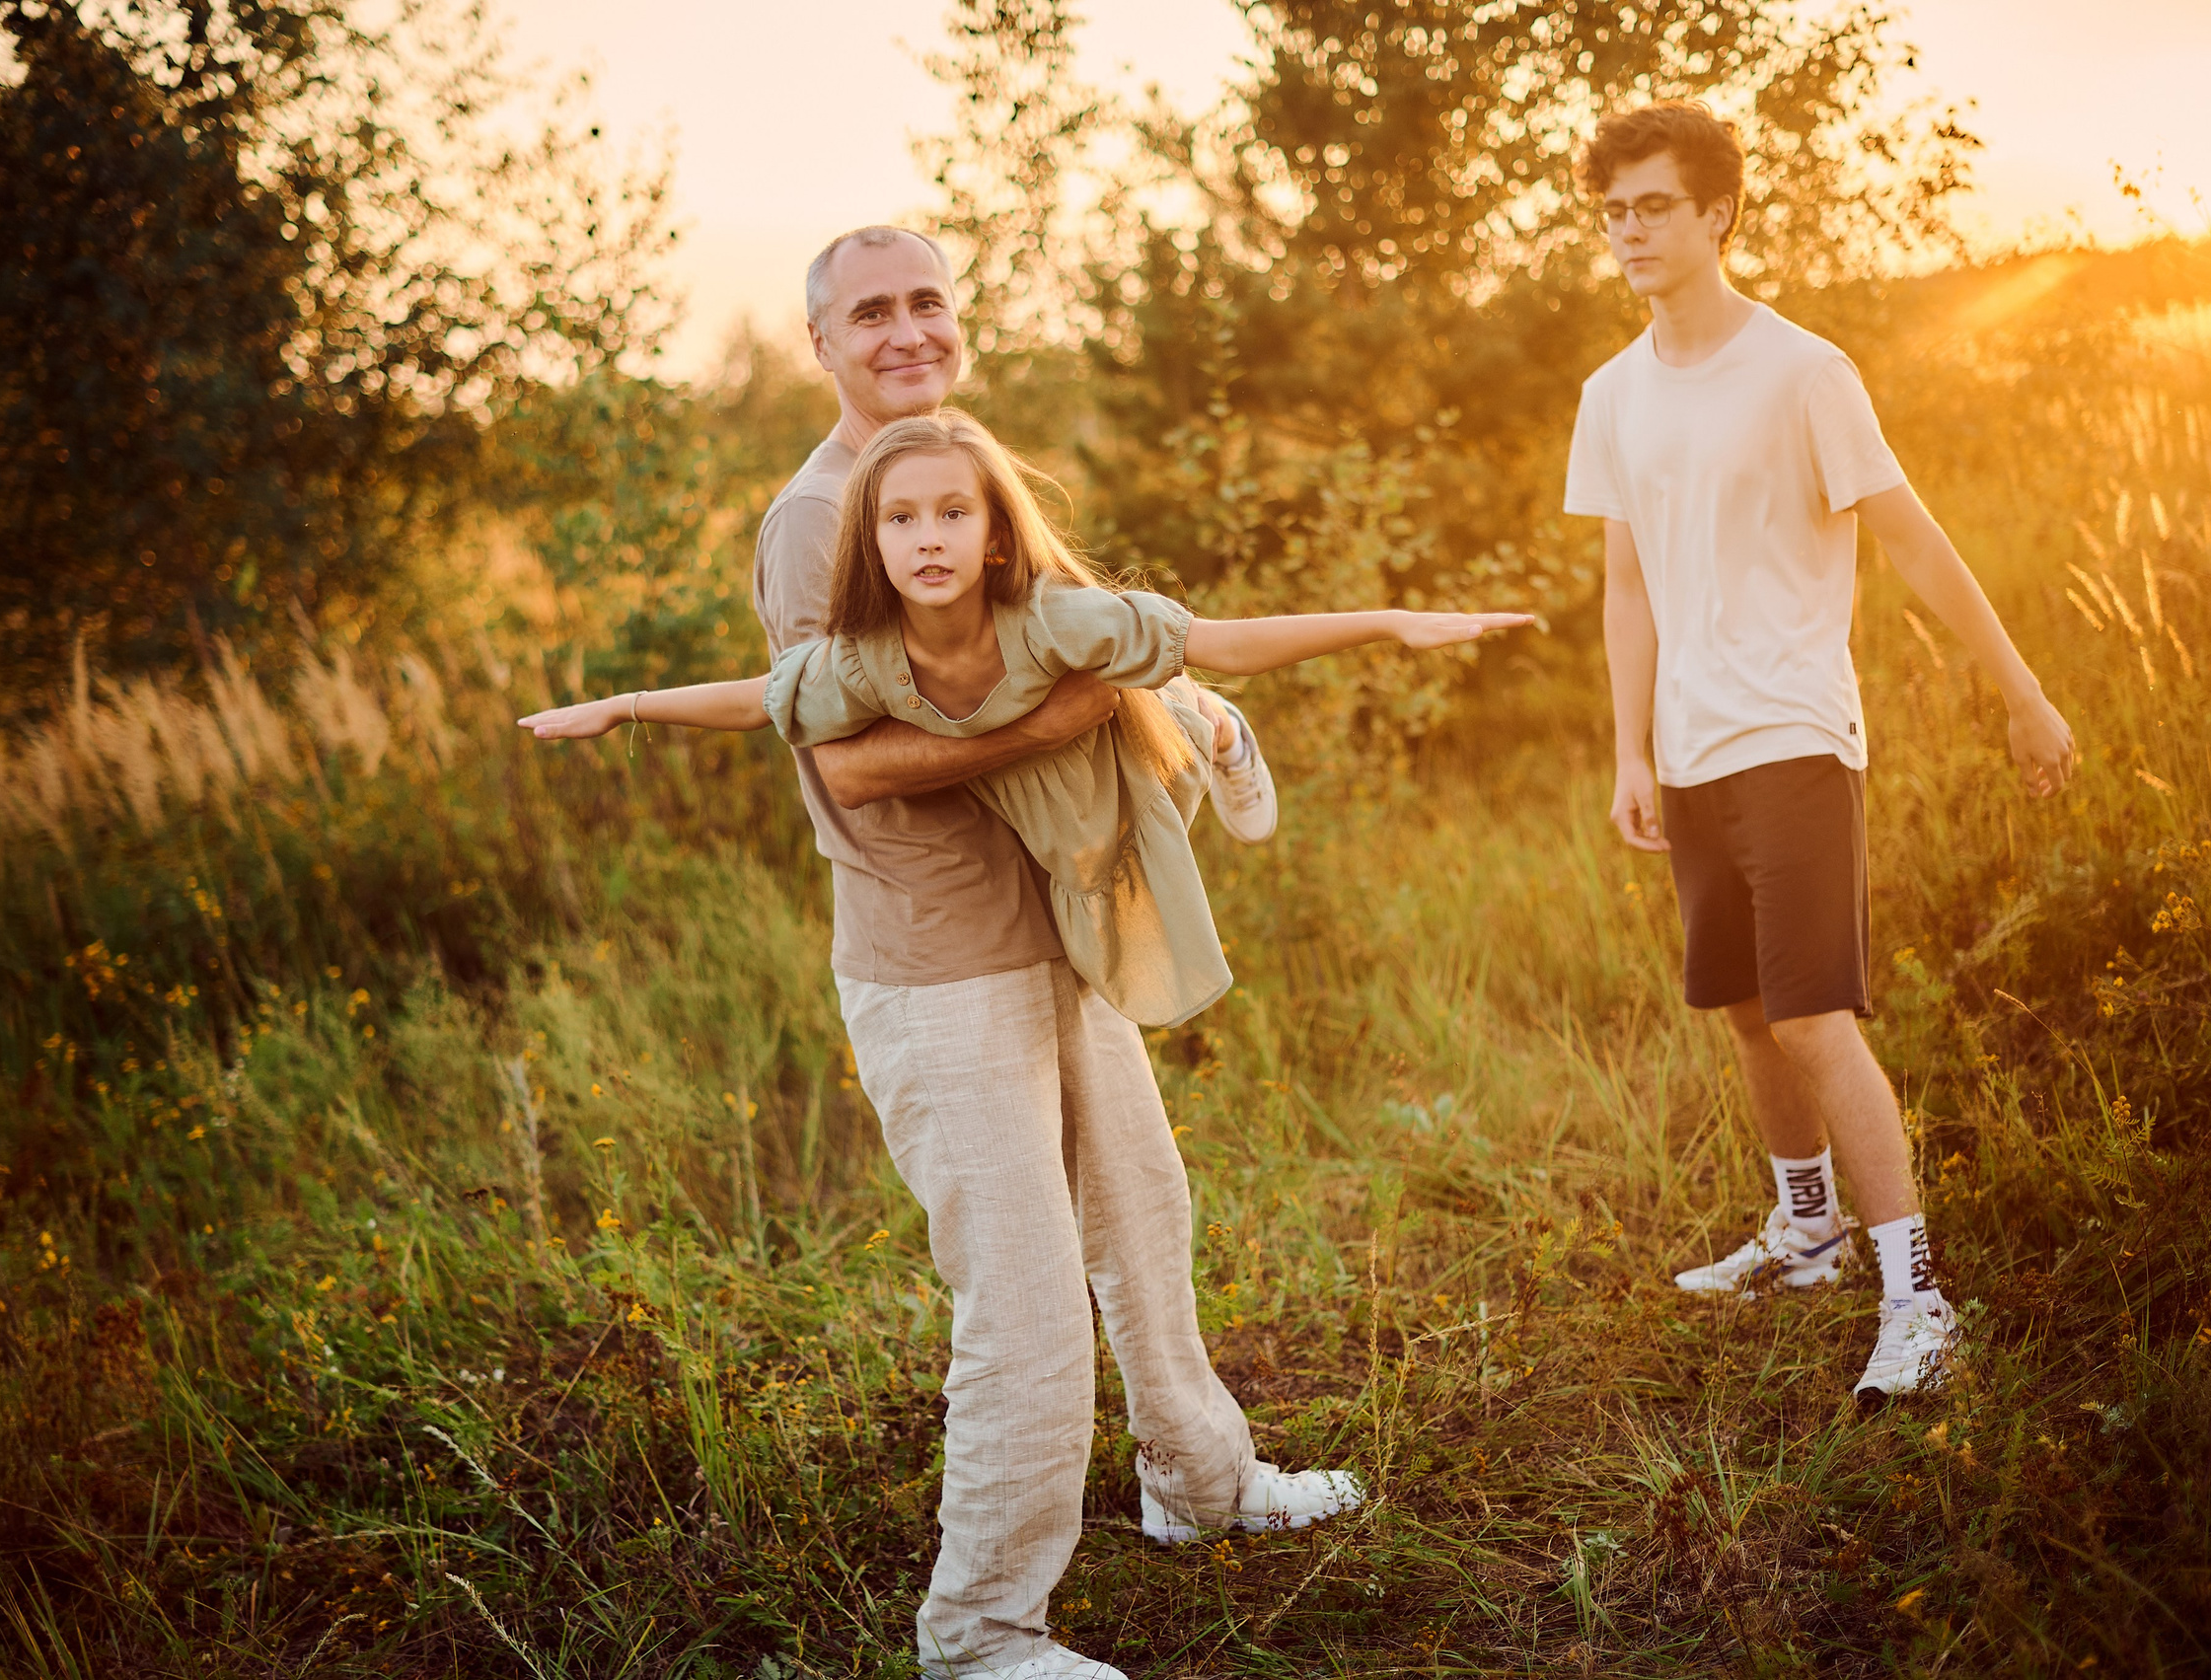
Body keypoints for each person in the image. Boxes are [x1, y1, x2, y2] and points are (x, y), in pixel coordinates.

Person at [544, 227, 1341, 1680]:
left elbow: (1058, 638)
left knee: (1141, 1211)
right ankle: (978, 1632)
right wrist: (1083, 713)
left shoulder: (948, 464)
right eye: (869, 312)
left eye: (925, 300)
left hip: (1052, 919)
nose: (906, 328)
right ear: (822, 344)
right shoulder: (823, 514)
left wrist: (1150, 705)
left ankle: (1200, 1484)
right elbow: (848, 760)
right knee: (1026, 1307)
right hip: (941, 961)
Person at [1564, 103, 2077, 1405]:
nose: (1628, 229)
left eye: (1653, 205)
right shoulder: (1612, 394)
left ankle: (1918, 1296)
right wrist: (1629, 748)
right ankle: (1806, 1233)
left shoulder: (1802, 371)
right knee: (1743, 1010)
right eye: (1613, 208)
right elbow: (1626, 586)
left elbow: (1915, 539)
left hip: (1793, 734)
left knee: (1811, 1013)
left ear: (1717, 212)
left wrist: (2021, 691)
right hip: (1684, 753)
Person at [519, 408, 1530, 1032]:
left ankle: (1216, 729)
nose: (927, 538)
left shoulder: (1054, 616)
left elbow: (1227, 635)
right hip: (1047, 788)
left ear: (996, 534)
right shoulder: (868, 658)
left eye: (953, 513)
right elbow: (760, 699)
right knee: (1090, 906)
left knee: (1161, 728)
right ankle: (1181, 715)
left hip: (1118, 744)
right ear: (869, 541)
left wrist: (1392, 623)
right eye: (900, 518)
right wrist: (623, 706)